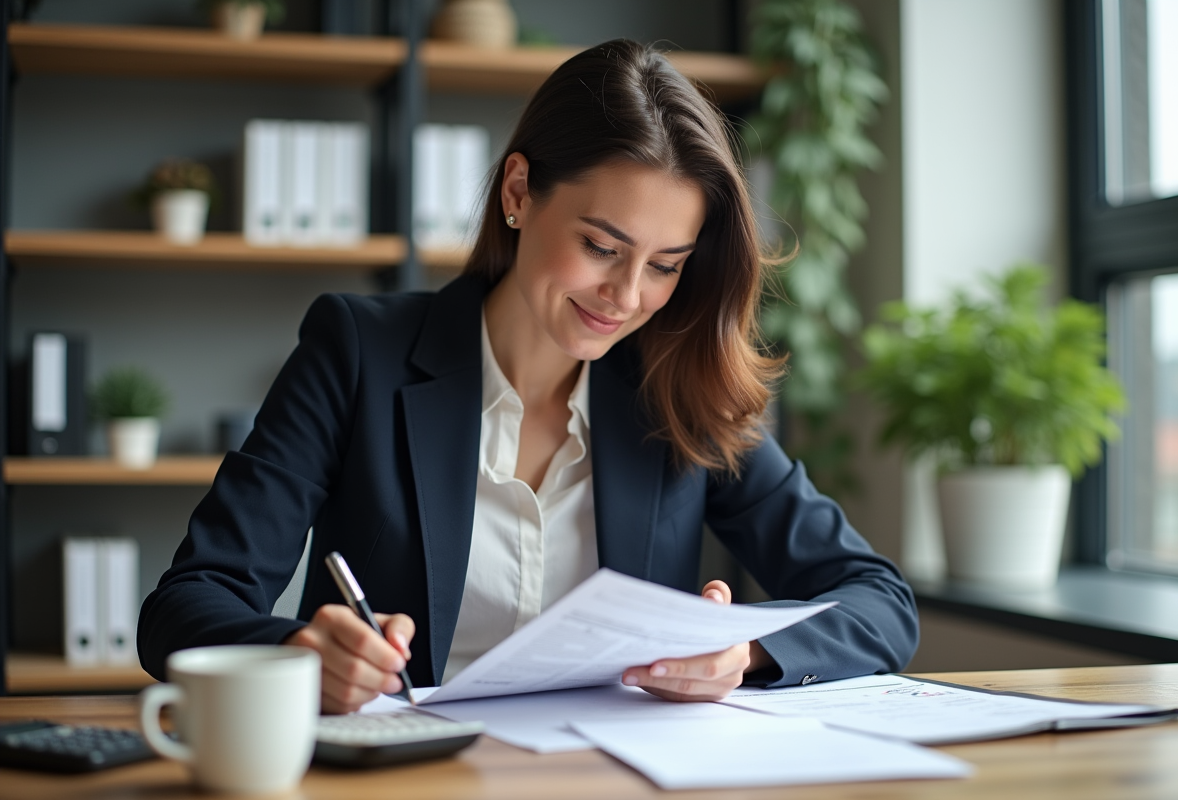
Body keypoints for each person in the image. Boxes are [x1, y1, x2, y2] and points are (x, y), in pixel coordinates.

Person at [139, 39, 918, 714]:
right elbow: (186, 605)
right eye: (602, 247)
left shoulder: (679, 387)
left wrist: (743, 653)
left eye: (665, 266)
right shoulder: (356, 351)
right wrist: (299, 654)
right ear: (519, 193)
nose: (626, 296)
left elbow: (880, 600)